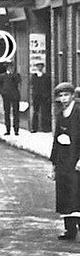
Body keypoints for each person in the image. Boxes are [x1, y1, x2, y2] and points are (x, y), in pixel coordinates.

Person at [50, 82, 80, 241]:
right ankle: (70, 230)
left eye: (66, 95)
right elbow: (56, 139)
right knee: (64, 193)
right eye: (61, 96)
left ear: (72, 95)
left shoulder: (78, 112)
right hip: (63, 159)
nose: (63, 99)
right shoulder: (61, 114)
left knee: (77, 193)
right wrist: (53, 165)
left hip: (75, 158)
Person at [0, 65, 22, 136]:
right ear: (7, 68)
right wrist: (2, 93)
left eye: (12, 67)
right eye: (9, 67)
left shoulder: (16, 75)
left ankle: (16, 130)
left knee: (16, 113)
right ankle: (7, 129)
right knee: (7, 113)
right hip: (6, 97)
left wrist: (13, 74)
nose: (11, 69)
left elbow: (19, 82)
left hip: (15, 96)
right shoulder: (2, 76)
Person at [31, 65, 51, 133]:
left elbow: (48, 86)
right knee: (35, 111)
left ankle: (45, 128)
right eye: (38, 66)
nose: (40, 68)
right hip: (36, 96)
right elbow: (32, 86)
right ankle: (34, 128)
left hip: (44, 96)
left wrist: (47, 95)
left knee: (44, 112)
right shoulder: (34, 76)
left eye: (41, 67)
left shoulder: (46, 77)